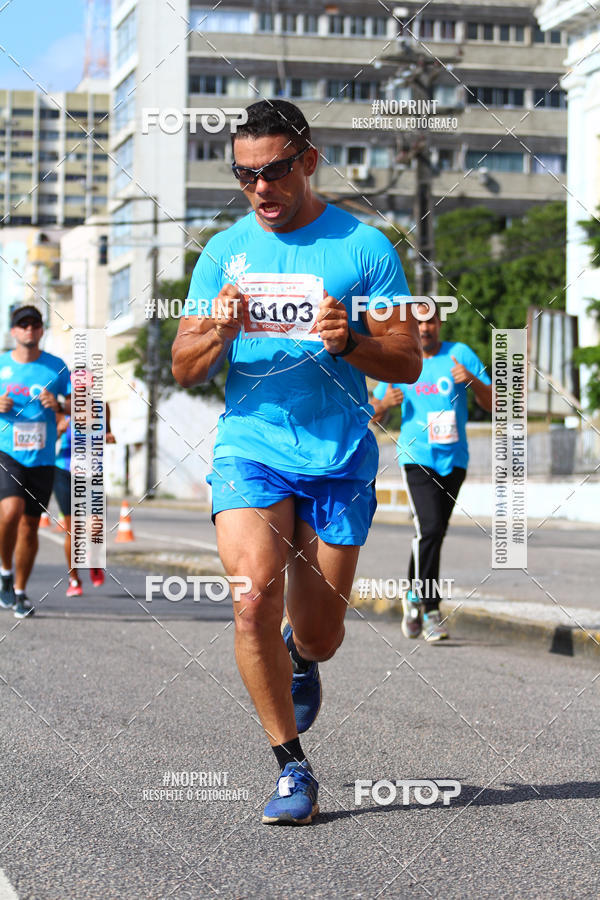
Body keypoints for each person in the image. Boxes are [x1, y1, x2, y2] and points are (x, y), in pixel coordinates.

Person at [172, 99, 421, 825]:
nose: (261, 189)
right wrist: (215, 332)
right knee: (252, 599)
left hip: (339, 456)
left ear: (308, 161)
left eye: (275, 171)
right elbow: (185, 366)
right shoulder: (224, 252)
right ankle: (292, 769)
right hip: (250, 448)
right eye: (246, 176)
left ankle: (301, 654)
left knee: (321, 635)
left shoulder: (364, 247)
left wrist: (352, 343)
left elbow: (406, 359)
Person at [371, 300, 492, 643]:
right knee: (431, 527)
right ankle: (431, 610)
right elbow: (373, 413)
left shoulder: (461, 354)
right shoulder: (401, 359)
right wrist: (384, 404)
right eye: (419, 324)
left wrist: (471, 381)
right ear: (411, 327)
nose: (424, 329)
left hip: (454, 458)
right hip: (416, 455)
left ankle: (412, 596)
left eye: (431, 322)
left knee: (432, 534)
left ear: (439, 323)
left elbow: (494, 401)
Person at [0, 305, 71, 618]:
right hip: (7, 452)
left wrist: (58, 403)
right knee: (10, 511)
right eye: (22, 325)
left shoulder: (56, 367)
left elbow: (80, 404)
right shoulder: (1, 364)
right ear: (13, 331)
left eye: (34, 324)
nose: (29, 329)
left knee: (29, 528)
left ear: (42, 330)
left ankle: (19, 592)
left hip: (42, 457)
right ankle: (4, 569)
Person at [54, 403, 115, 597]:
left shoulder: (102, 408)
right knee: (74, 531)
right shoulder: (62, 410)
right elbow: (47, 439)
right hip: (66, 473)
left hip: (93, 475)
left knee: (95, 526)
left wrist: (108, 437)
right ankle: (74, 579)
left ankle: (94, 559)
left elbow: (108, 433)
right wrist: (58, 431)